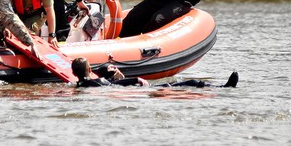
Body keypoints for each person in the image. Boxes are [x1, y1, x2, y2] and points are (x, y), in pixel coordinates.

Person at [71, 57, 238, 89]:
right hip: (142, 89)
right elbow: (115, 85)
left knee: (177, 85)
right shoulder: (97, 83)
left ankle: (219, 87)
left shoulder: (79, 84)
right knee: (188, 83)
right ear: (89, 69)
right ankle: (222, 87)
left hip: (135, 89)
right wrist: (135, 79)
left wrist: (106, 73)